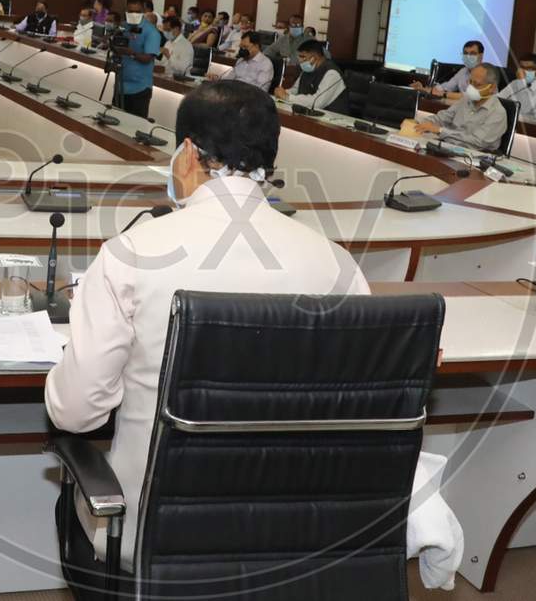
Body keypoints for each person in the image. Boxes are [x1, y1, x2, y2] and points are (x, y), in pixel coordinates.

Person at [46, 79, 370, 573]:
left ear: (189, 152)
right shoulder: (337, 265)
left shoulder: (130, 255)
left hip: (151, 532)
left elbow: (76, 414)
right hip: (292, 531)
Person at [416, 63, 508, 151]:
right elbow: (442, 118)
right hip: (448, 147)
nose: (471, 87)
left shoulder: (498, 113)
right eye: (470, 82)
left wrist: (440, 131)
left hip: (474, 157)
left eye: (477, 84)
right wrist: (421, 124)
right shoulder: (466, 99)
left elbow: (477, 141)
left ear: (492, 88)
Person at [115, 0, 162, 118]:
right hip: (120, 86)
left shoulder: (151, 32)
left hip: (139, 89)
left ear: (143, 11)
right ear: (126, 10)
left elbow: (148, 58)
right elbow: (115, 45)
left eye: (137, 11)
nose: (134, 14)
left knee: (134, 127)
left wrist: (131, 53)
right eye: (130, 11)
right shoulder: (123, 27)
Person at [274, 39, 345, 111]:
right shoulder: (308, 69)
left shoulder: (332, 73)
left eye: (303, 57)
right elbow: (296, 90)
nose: (300, 60)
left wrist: (287, 97)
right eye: (299, 57)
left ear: (315, 57)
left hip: (333, 119)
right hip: (308, 114)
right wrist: (283, 92)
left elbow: (317, 102)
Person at [410, 39, 483, 104]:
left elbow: (470, 96)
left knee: (443, 102)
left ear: (481, 55)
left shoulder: (486, 73)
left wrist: (444, 94)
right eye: (465, 53)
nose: (468, 56)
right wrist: (423, 89)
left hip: (479, 112)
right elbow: (444, 87)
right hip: (463, 109)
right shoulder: (463, 71)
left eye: (473, 53)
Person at [501, 52, 536, 123]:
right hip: (518, 121)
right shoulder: (515, 83)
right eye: (522, 67)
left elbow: (523, 109)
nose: (523, 71)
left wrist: (522, 81)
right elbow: (499, 99)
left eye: (529, 68)